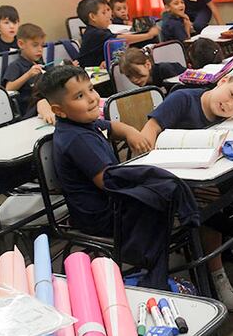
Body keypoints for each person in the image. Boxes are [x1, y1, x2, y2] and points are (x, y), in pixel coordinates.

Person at [140, 75, 233, 311]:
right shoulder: (182, 99)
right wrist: (146, 142)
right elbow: (150, 129)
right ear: (223, 81)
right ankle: (216, 274)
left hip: (207, 171)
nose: (229, 105)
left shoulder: (222, 118)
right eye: (231, 95)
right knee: (210, 200)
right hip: (172, 178)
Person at [37, 66, 151, 236]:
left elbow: (112, 127)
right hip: (104, 217)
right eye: (80, 96)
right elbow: (110, 183)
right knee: (166, 198)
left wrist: (130, 132)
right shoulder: (77, 139)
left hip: (109, 205)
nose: (92, 98)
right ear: (59, 111)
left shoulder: (81, 123)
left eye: (91, 89)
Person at [76, 0, 159, 68]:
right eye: (104, 12)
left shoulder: (102, 30)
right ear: (92, 17)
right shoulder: (94, 33)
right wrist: (149, 35)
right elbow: (121, 39)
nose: (109, 15)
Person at [1, 23, 54, 123]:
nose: (40, 49)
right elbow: (8, 88)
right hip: (30, 110)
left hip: (47, 102)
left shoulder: (40, 63)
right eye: (35, 45)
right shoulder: (16, 66)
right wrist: (28, 75)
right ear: (21, 44)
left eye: (42, 45)